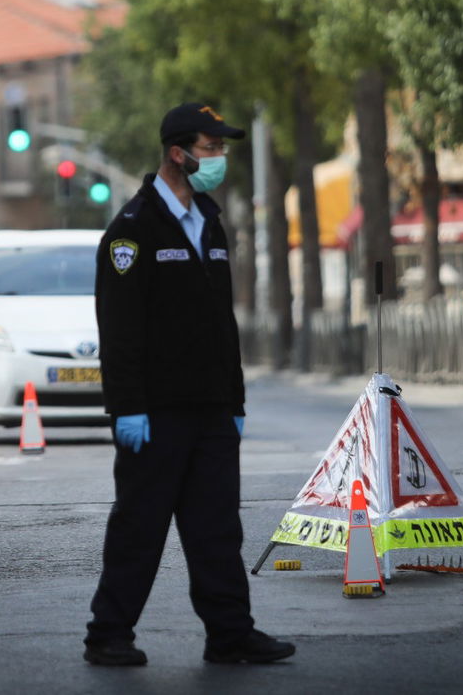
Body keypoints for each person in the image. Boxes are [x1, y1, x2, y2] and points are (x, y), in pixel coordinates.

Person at [83, 103, 295, 668]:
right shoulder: (132, 230)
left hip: (211, 412)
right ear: (178, 153)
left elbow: (221, 324)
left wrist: (235, 401)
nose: (219, 158)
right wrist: (126, 407)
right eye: (211, 148)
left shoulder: (211, 220)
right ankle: (107, 634)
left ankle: (230, 635)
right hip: (155, 413)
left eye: (221, 148)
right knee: (140, 527)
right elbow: (120, 330)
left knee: (218, 530)